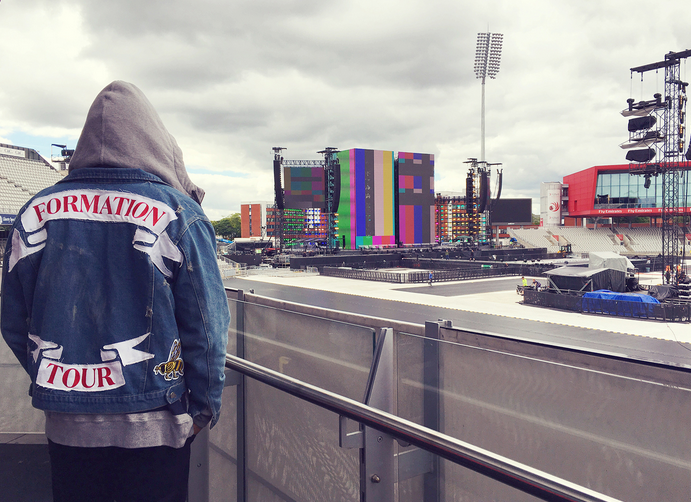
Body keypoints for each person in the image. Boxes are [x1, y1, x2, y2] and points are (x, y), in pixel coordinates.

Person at [1, 81, 230, 502]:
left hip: (67, 421)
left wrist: (55, 379)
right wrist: (203, 408)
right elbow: (207, 328)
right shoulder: (179, 213)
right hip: (156, 419)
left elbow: (14, 320)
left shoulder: (34, 212)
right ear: (156, 141)